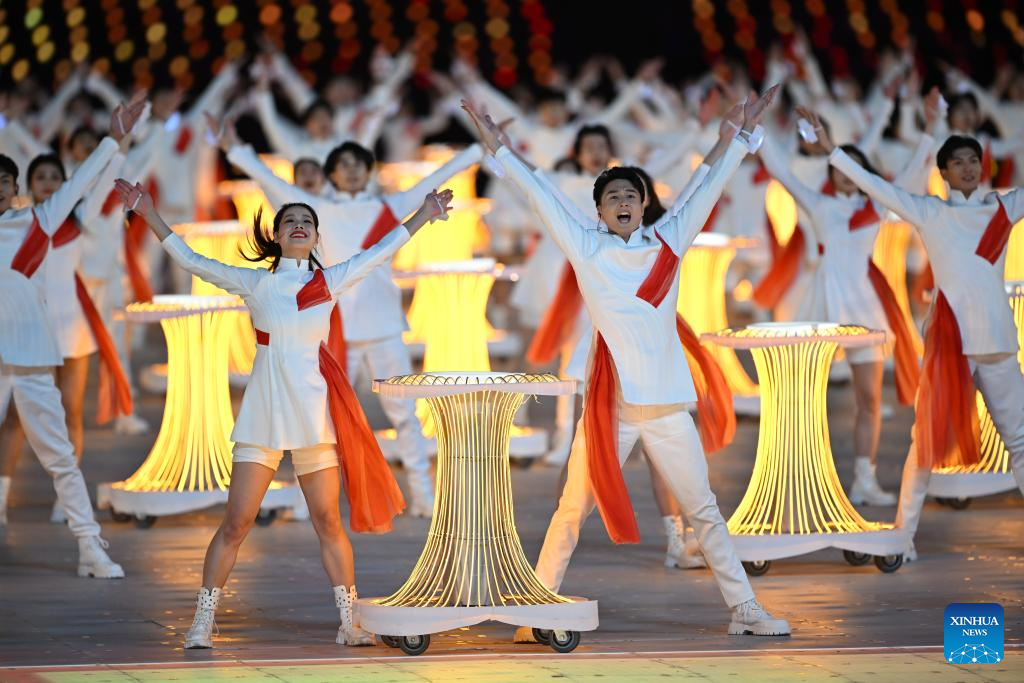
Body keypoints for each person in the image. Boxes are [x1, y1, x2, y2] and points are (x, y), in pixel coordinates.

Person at [462, 91, 791, 639]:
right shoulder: (587, 247)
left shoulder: (669, 241)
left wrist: (740, 137)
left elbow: (707, 189)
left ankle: (745, 610)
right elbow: (537, 190)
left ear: (643, 205)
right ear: (598, 209)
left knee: (704, 511)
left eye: (630, 195)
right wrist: (495, 141)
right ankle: (537, 610)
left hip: (665, 407)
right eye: (612, 195)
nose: (622, 201)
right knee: (572, 510)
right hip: (610, 411)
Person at [113, 174, 453, 648]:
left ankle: (350, 621)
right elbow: (190, 258)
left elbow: (380, 250)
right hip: (265, 414)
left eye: (307, 222)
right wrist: (148, 213)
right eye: (289, 220)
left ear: (316, 238)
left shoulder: (328, 280)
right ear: (275, 235)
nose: (298, 225)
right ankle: (203, 620)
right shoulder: (254, 283)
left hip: (314, 416)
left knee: (328, 522)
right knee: (236, 523)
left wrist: (425, 214)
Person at [212, 116, 481, 516]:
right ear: (331, 174)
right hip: (333, 330)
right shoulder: (317, 210)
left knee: (404, 414)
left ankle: (424, 495)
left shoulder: (389, 206)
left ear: (370, 171)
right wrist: (236, 150)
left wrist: (479, 150)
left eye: (360, 164)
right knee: (322, 417)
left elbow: (434, 182)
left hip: (385, 325)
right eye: (345, 164)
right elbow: (274, 185)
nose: (353, 170)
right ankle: (312, 502)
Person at [822, 125, 1024, 560]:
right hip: (950, 345)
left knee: (1021, 441)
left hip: (995, 340)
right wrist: (832, 151)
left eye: (974, 160)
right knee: (925, 443)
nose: (968, 168)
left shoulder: (1002, 208)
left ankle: (901, 537)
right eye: (959, 163)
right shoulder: (931, 211)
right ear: (944, 173)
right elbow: (877, 186)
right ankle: (902, 538)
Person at [755, 99, 937, 505]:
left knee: (869, 399)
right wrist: (757, 130)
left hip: (863, 306)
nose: (845, 174)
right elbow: (781, 171)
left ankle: (864, 479)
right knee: (801, 395)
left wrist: (930, 129)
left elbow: (908, 178)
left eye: (853, 167)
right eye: (838, 167)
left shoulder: (874, 206)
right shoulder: (819, 203)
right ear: (831, 172)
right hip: (822, 302)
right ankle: (796, 474)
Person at [0, 96, 146, 577]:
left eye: (4, 183)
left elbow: (82, 180)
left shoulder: (38, 222)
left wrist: (114, 139)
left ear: (15, 189)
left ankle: (89, 547)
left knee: (60, 456)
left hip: (30, 359)